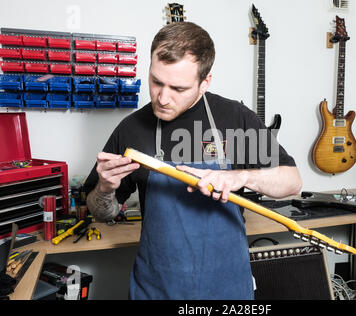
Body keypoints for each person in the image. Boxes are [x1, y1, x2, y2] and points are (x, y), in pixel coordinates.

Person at [84, 21, 302, 300]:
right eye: (156, 81)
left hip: (227, 287)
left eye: (178, 88)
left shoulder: (235, 118)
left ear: (205, 82)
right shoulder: (131, 129)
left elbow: (292, 181)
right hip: (157, 288)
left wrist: (242, 177)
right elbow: (102, 213)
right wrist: (104, 190)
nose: (162, 98)